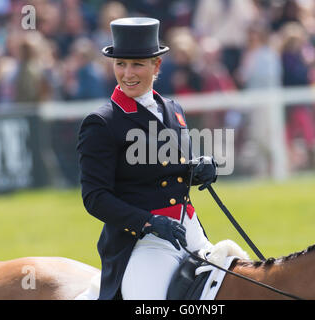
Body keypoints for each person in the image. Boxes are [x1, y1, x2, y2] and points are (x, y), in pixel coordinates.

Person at [77, 17, 217, 300]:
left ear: (157, 66)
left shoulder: (173, 109)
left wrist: (200, 167)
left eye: (137, 64)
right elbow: (95, 197)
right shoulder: (102, 123)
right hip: (142, 243)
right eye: (121, 64)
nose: (127, 73)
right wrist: (149, 222)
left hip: (188, 230)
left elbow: (171, 170)